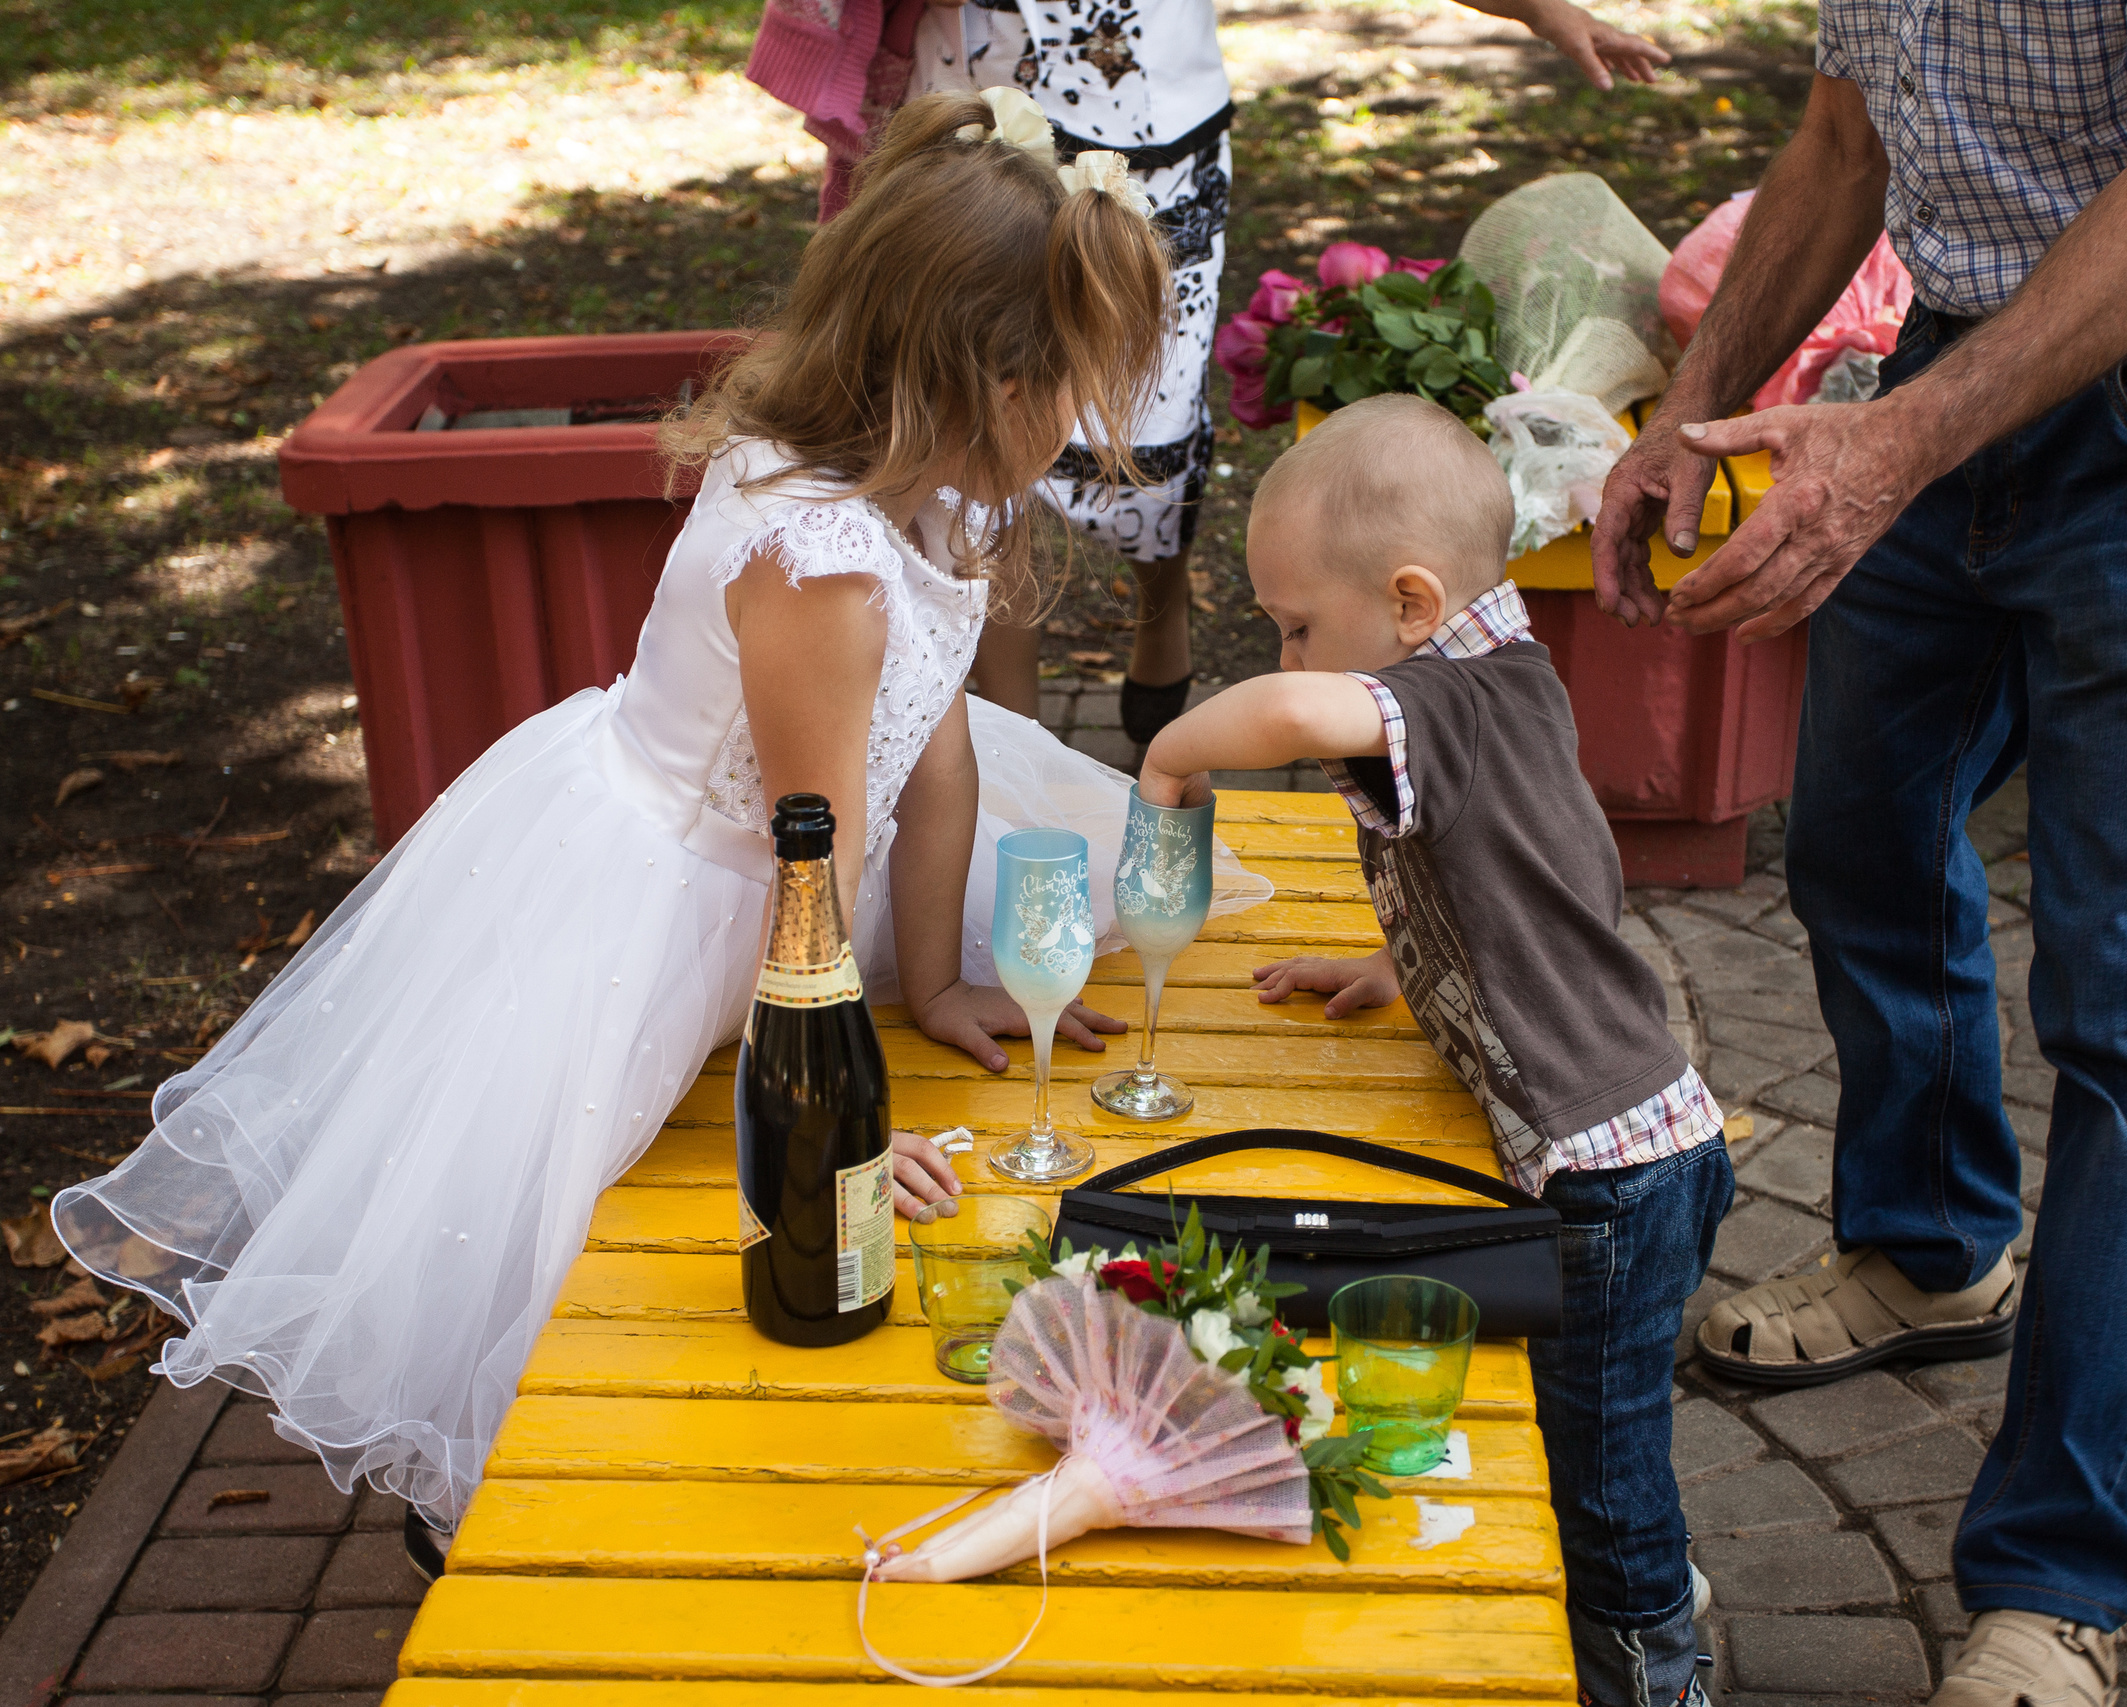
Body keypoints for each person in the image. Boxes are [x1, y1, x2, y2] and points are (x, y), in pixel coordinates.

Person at [50, 91, 1270, 1584]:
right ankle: (495, 1517)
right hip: (667, 892)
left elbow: (938, 748)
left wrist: (945, 977)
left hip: (788, 850)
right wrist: (848, 1125)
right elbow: (808, 867)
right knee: (545, 1223)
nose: (1084, 426)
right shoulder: (821, 566)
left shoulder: (933, 490)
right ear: (970, 377)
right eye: (1066, 385)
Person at [1588, 5, 2127, 1700]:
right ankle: (1933, 1244)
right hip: (1958, 365)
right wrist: (1691, 405)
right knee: (1861, 838)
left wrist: (1889, 448)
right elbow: (1840, 147)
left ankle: (2055, 1582)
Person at [1139, 395, 1732, 1707]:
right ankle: (1658, 1579)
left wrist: (1176, 749)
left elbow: (1294, 717)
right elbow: (1536, 886)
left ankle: (1651, 1661)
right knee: (1613, 1417)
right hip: (1651, 1136)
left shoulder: (1443, 696)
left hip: (1606, 1178)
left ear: (1411, 600)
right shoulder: (1504, 675)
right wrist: (1409, 966)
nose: (1285, 649)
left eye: (1295, 624)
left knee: (1596, 1453)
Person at [866, 0, 1673, 748]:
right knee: (986, 427)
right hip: (984, 127)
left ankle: (1161, 606)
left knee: (1151, 424)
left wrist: (1542, 10)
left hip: (1150, 136)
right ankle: (1014, 736)